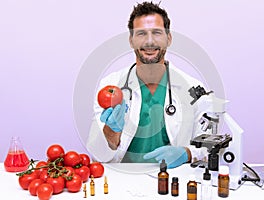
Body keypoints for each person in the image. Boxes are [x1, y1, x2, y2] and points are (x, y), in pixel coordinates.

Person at [86, 1, 210, 168]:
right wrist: (111, 130)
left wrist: (187, 153)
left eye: (157, 33)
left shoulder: (194, 90)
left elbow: (210, 147)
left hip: (173, 181)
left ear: (169, 38)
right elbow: (98, 155)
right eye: (141, 34)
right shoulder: (110, 85)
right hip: (123, 181)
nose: (149, 41)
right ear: (131, 41)